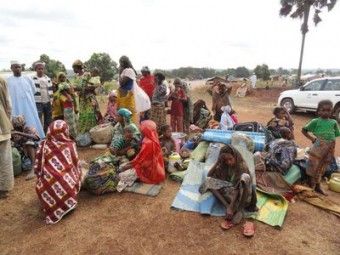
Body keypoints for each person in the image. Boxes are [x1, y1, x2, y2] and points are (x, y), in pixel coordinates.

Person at [199, 145, 257, 237]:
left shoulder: (241, 165)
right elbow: (209, 176)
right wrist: (218, 162)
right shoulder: (225, 165)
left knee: (245, 177)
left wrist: (231, 206)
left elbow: (239, 188)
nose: (228, 162)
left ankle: (239, 210)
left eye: (230, 159)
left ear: (235, 156)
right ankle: (229, 207)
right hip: (232, 194)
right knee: (208, 181)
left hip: (243, 197)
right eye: (226, 160)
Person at [35, 120, 82, 224]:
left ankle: (52, 202)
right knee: (71, 176)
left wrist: (41, 177)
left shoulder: (43, 144)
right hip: (66, 185)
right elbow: (75, 165)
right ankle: (69, 203)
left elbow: (38, 166)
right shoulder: (70, 145)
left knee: (47, 181)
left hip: (45, 185)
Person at [302, 100, 340, 195]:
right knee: (314, 164)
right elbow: (304, 130)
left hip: (330, 147)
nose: (326, 112)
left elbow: (334, 135)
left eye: (329, 110)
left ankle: (318, 185)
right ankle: (311, 184)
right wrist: (312, 138)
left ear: (332, 111)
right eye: (323, 110)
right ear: (318, 111)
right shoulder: (316, 121)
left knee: (324, 165)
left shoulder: (334, 122)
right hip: (318, 146)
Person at [117, 120, 166, 191]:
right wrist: (131, 163)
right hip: (156, 170)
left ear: (146, 130)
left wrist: (129, 166)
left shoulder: (148, 143)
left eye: (142, 129)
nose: (140, 131)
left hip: (150, 173)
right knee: (125, 167)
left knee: (122, 176)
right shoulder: (151, 138)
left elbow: (143, 162)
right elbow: (141, 156)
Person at [7, 60, 45, 139]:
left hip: (29, 106)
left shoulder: (28, 79)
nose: (17, 69)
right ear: (11, 68)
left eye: (19, 67)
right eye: (15, 67)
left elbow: (34, 91)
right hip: (15, 107)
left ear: (21, 68)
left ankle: (36, 138)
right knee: (17, 123)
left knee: (31, 121)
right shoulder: (8, 80)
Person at [72, 60, 99, 134]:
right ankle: (84, 133)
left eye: (74, 68)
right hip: (82, 99)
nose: (73, 70)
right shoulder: (76, 77)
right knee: (83, 115)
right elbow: (74, 88)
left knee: (90, 114)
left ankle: (92, 132)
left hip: (90, 98)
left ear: (78, 68)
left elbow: (95, 85)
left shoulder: (87, 74)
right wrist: (85, 88)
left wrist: (83, 88)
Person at [11, 115, 40, 180]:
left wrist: (19, 133)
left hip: (32, 152)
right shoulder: (13, 132)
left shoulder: (28, 128)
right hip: (22, 153)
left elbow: (36, 138)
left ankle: (33, 169)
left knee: (30, 142)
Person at [0, 76, 14, 199]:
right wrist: (8, 121)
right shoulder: (1, 80)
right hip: (1, 124)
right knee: (4, 157)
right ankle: (4, 188)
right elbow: (8, 104)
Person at [32, 62, 53, 133]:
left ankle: (47, 133)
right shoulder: (32, 79)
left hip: (48, 101)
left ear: (44, 70)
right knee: (38, 119)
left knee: (48, 119)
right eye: (39, 69)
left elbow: (50, 90)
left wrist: (51, 101)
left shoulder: (48, 79)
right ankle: (39, 134)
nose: (40, 70)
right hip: (38, 102)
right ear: (36, 69)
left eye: (42, 69)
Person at [117, 56, 137, 122]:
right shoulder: (125, 71)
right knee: (122, 115)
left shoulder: (129, 71)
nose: (120, 64)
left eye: (121, 62)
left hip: (126, 97)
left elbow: (122, 83)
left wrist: (119, 73)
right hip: (122, 97)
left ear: (124, 62)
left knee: (127, 115)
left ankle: (130, 130)